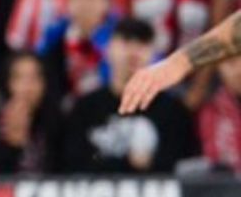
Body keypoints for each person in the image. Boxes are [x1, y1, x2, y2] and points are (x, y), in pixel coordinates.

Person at [65, 18, 196, 173]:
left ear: (153, 52)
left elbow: (188, 169)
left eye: (142, 42)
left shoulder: (173, 111)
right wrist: (127, 163)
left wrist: (149, 164)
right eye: (126, 41)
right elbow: (69, 166)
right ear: (108, 49)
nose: (133, 50)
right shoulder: (84, 109)